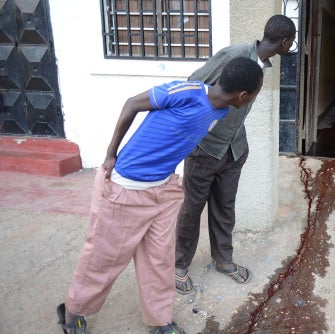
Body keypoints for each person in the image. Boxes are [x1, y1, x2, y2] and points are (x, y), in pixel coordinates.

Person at [56, 57, 264, 334]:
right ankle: (72, 313)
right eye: (255, 95)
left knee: (159, 260)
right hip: (126, 188)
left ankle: (159, 321)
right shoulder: (187, 92)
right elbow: (132, 103)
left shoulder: (221, 113)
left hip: (163, 191)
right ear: (244, 96)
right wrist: (110, 153)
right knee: (104, 258)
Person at [174, 15, 296, 294]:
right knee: (192, 210)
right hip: (204, 148)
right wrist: (194, 132)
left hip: (233, 150)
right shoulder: (234, 55)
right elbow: (193, 84)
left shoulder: (262, 64)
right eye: (292, 41)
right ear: (285, 41)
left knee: (225, 209)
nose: (291, 46)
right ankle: (179, 265)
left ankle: (223, 260)